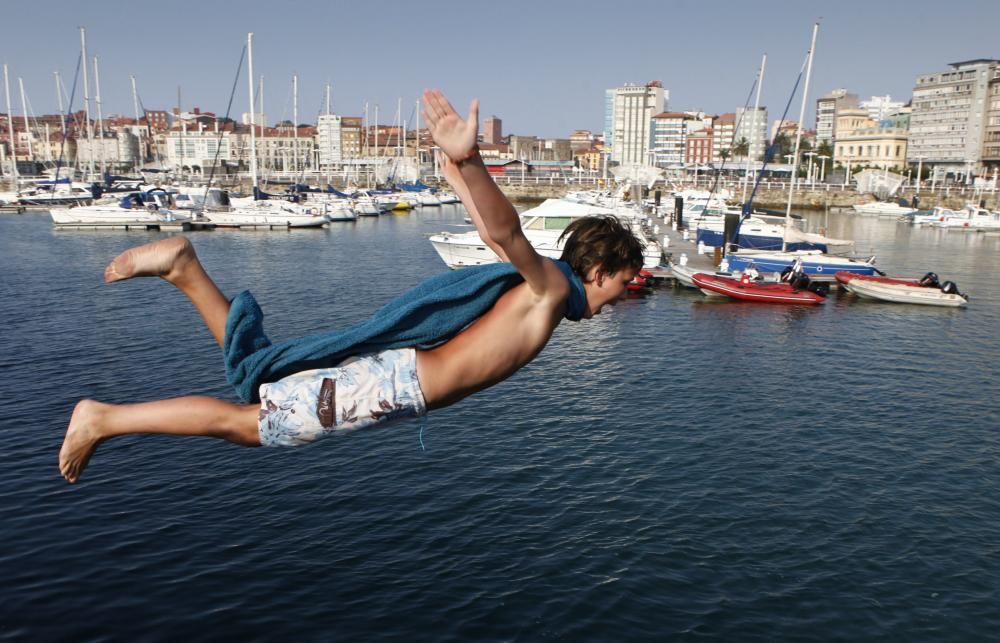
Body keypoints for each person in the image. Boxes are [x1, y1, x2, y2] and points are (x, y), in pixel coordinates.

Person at [58, 89, 645, 483]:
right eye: (625, 281)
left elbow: (495, 240)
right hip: (390, 386)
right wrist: (468, 165)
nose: (624, 294)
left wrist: (456, 178)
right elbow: (506, 233)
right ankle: (104, 417)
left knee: (259, 388)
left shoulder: (543, 292)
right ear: (598, 271)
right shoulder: (546, 292)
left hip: (393, 383)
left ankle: (185, 270)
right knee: (249, 424)